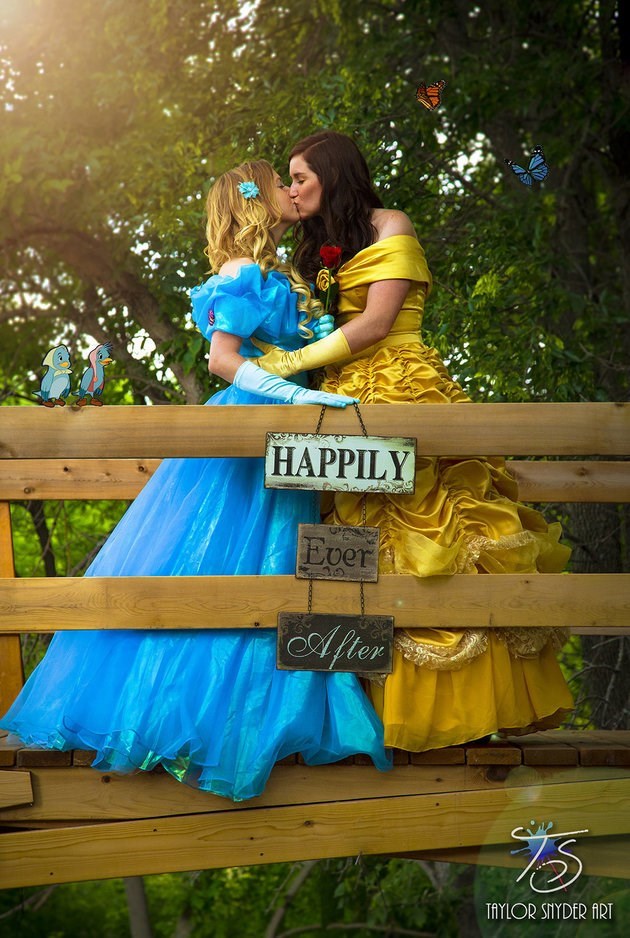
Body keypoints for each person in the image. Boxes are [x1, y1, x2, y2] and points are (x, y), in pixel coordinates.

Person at [0, 159, 391, 800]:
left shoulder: (279, 274)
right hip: (250, 431)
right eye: (279, 183)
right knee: (222, 560)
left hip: (290, 435)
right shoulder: (241, 273)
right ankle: (192, 714)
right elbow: (221, 359)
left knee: (279, 564)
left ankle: (268, 710)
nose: (291, 191)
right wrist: (297, 398)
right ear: (254, 202)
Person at [250, 132, 574, 753]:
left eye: (300, 177)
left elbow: (375, 324)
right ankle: (359, 718)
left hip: (401, 384)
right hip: (337, 396)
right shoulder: (309, 247)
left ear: (333, 175)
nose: (291, 189)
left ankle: (461, 710)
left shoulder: (390, 223)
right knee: (347, 547)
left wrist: (284, 367)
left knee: (439, 529)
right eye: (288, 180)